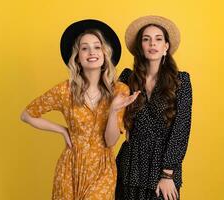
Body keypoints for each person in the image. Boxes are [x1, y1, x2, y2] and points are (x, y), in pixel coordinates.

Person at [20, 19, 139, 200]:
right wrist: (61, 129)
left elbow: (110, 141)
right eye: (85, 48)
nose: (92, 52)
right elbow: (27, 114)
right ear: (77, 56)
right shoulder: (64, 90)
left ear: (105, 54)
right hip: (70, 168)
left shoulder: (119, 90)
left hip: (102, 169)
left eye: (97, 47)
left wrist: (113, 110)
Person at [114, 16, 193, 200]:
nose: (152, 43)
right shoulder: (127, 79)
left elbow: (181, 128)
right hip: (130, 165)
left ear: (166, 46)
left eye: (158, 39)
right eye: (146, 39)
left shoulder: (181, 81)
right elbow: (109, 116)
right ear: (140, 47)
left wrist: (167, 174)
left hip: (164, 169)